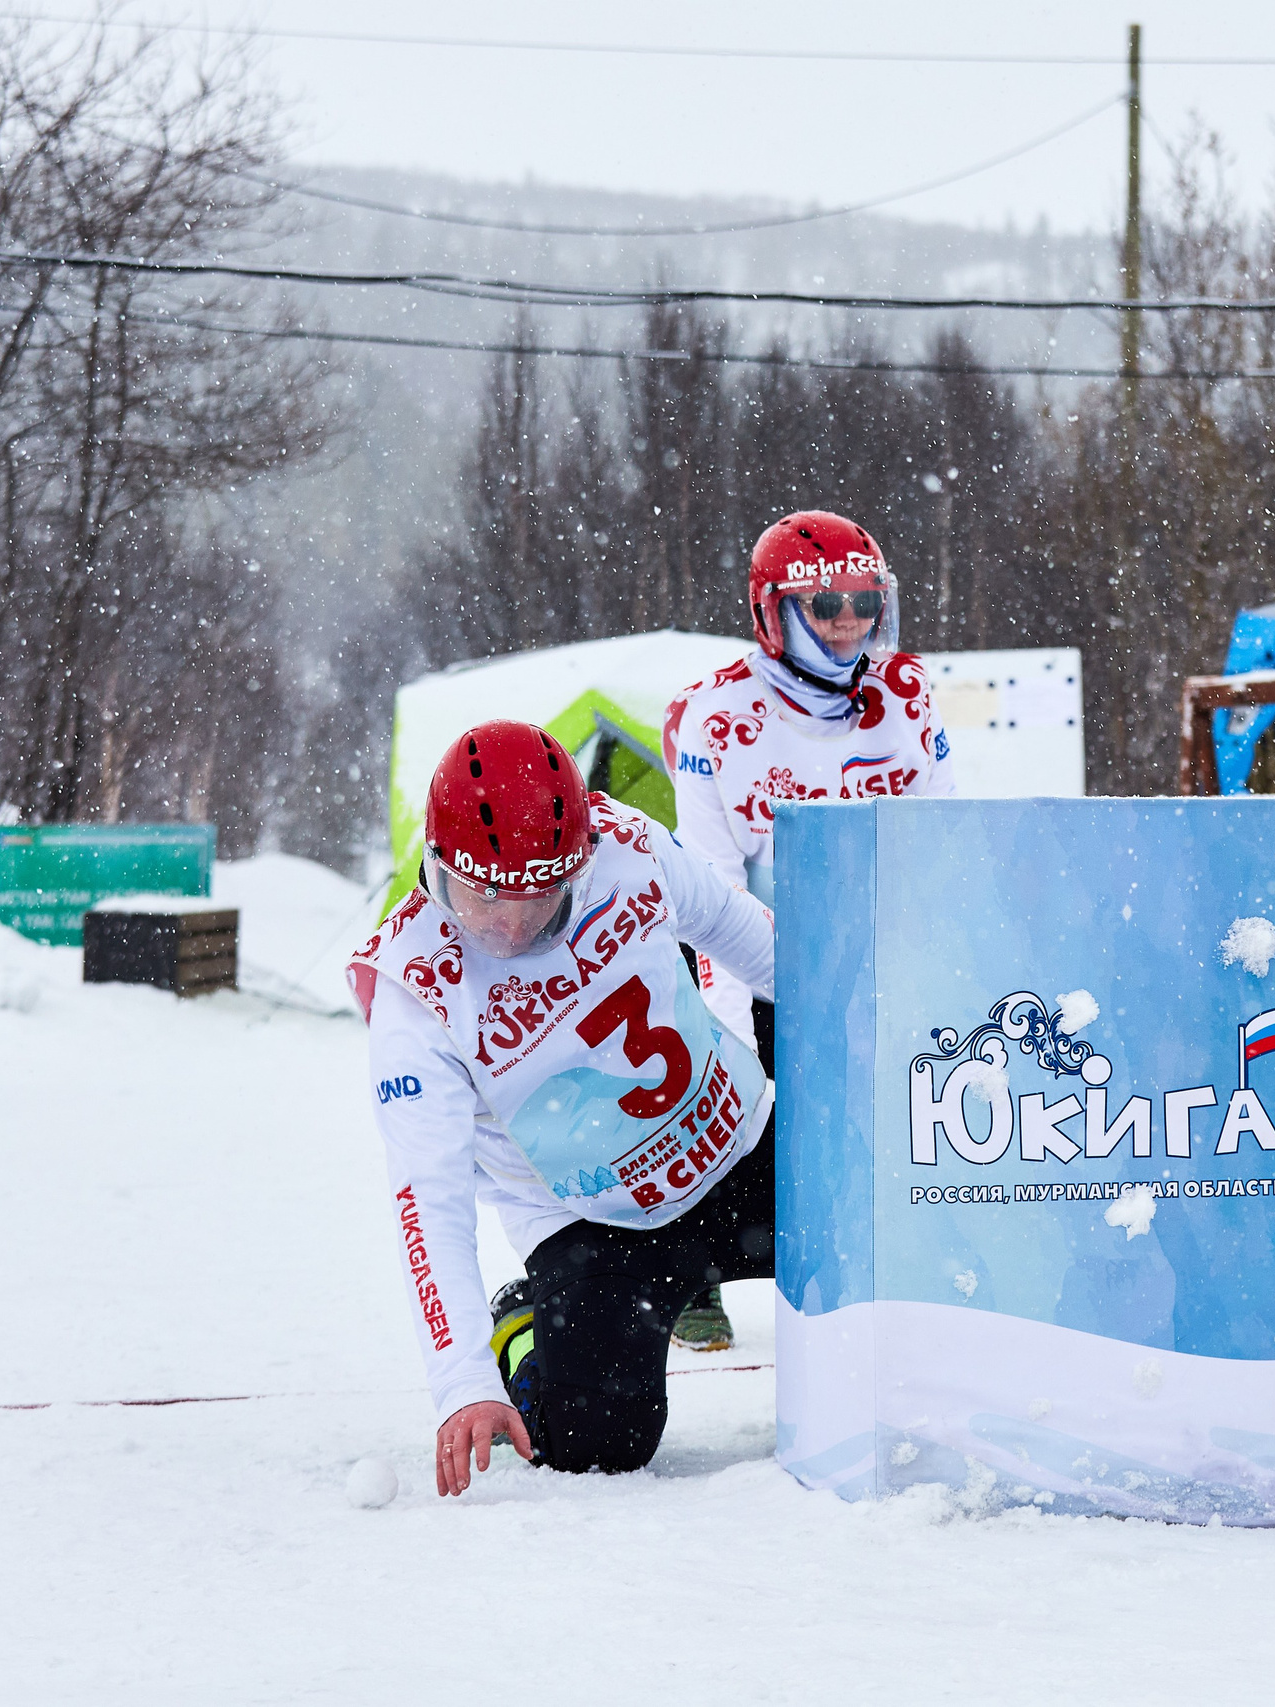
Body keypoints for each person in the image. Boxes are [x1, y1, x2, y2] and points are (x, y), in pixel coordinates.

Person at [348, 718, 776, 1489]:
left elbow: (749, 938)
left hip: (734, 1151)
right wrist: (464, 1381)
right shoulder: (414, 990)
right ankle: (525, 1327)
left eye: (541, 894)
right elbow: (428, 1200)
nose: (510, 924)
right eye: (481, 896)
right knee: (600, 1443)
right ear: (438, 863)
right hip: (595, 1226)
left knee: (877, 1239)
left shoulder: (627, 844)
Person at [657, 509, 955, 1349]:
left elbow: (944, 829)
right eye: (826, 606)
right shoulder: (715, 715)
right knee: (746, 1126)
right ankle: (689, 1270)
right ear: (773, 613)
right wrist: (730, 1027)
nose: (851, 621)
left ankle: (885, 1279)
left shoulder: (907, 691)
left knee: (892, 1128)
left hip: (883, 952)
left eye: (866, 600)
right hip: (764, 955)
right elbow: (709, 882)